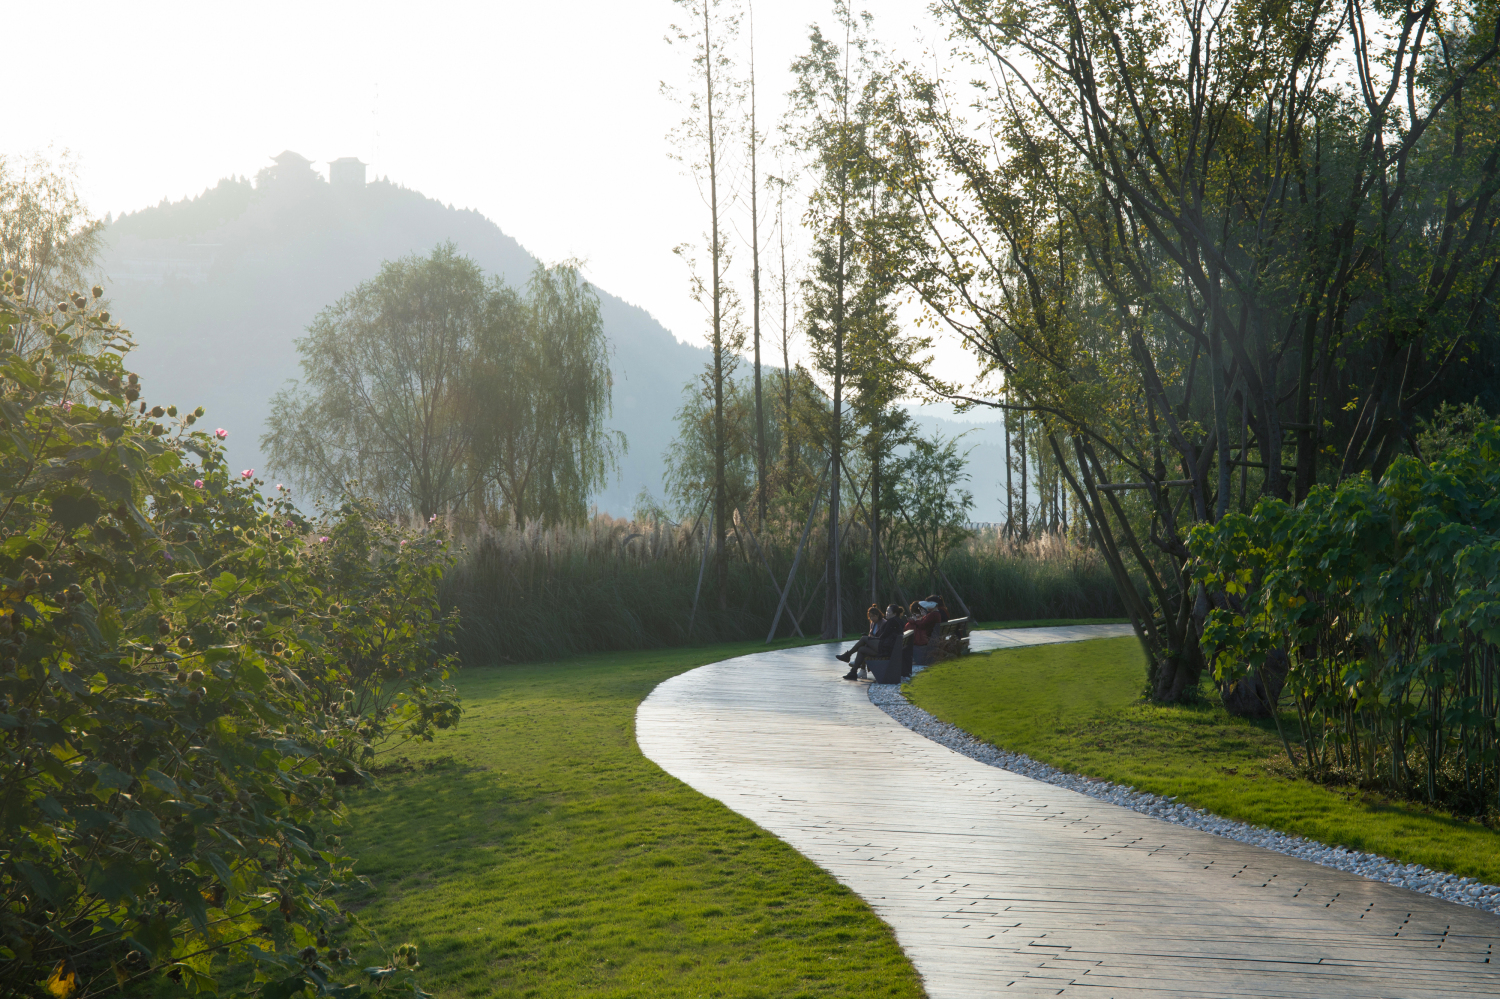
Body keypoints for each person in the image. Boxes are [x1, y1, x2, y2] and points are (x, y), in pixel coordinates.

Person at [836, 604, 904, 681]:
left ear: (894, 613)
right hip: (889, 649)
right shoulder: (897, 621)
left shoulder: (892, 621)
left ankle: (848, 655)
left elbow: (883, 637)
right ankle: (853, 672)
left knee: (864, 639)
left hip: (886, 649)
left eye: (889, 612)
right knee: (861, 649)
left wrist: (870, 640)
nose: (886, 613)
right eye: (886, 611)